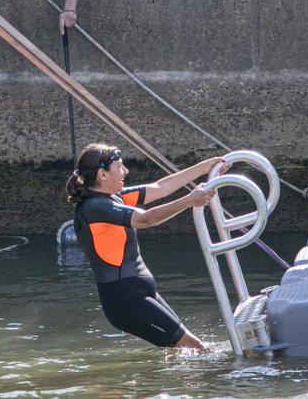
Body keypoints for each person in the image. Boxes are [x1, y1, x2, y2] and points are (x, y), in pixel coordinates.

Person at [65, 143, 219, 349]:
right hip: (125, 299)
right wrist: (189, 201)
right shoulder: (95, 208)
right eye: (120, 167)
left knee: (180, 350)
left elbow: (160, 188)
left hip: (139, 293)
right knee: (196, 347)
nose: (126, 171)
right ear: (102, 174)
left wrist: (205, 167)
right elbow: (146, 219)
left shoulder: (113, 198)